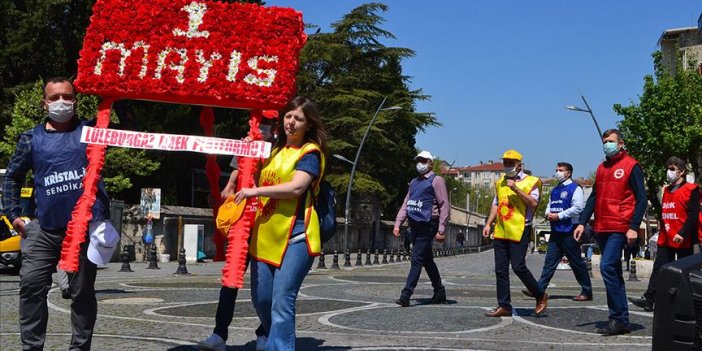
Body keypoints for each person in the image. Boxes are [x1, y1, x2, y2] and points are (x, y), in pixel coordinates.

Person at [2, 77, 112, 350]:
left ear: (75, 99)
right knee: (30, 287)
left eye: (67, 96)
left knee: (82, 293)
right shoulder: (30, 138)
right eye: (54, 98)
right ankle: (32, 347)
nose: (61, 102)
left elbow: (128, 132)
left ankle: (80, 347)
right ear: (44, 103)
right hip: (43, 228)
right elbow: (12, 177)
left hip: (82, 231)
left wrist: (113, 94)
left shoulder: (92, 130)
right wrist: (13, 213)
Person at [233, 96, 326, 350]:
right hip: (265, 236)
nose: (292, 122)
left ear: (308, 125)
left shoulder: (310, 154)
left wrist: (258, 191)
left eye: (299, 119)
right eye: (288, 116)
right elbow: (247, 171)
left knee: (282, 300)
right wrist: (246, 151)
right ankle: (273, 339)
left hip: (297, 236)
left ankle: (280, 346)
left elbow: (297, 187)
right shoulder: (271, 151)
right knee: (262, 300)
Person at [198, 115, 277, 351]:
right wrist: (218, 198)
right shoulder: (245, 146)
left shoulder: (283, 149)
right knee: (230, 281)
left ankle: (265, 332)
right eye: (258, 121)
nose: (260, 126)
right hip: (243, 224)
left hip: (267, 221)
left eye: (266, 122)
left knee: (265, 285)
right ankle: (219, 334)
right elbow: (230, 187)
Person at [574, 128, 647, 336]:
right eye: (605, 141)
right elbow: (593, 197)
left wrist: (633, 226)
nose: (607, 144)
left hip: (620, 225)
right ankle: (621, 318)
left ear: (621, 143)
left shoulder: (631, 166)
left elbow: (641, 199)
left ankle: (617, 317)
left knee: (606, 267)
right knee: (613, 271)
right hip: (602, 225)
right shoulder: (602, 168)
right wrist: (582, 222)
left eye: (611, 141)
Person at [629, 156, 699, 311]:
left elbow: (693, 215)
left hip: (683, 238)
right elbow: (665, 212)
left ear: (682, 171)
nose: (669, 172)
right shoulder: (667, 190)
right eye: (668, 168)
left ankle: (686, 303)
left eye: (673, 169)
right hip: (666, 236)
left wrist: (682, 233)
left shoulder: (691, 190)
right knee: (658, 268)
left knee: (684, 272)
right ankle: (649, 299)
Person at [483, 149, 548, 317]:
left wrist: (517, 189)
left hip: (520, 229)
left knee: (518, 266)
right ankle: (504, 305)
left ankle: (540, 295)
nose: (507, 166)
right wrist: (489, 223)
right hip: (502, 229)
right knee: (500, 270)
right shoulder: (500, 183)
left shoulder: (532, 182)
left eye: (511, 163)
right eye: (505, 162)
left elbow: (533, 203)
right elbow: (496, 205)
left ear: (519, 165)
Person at [523, 162, 592, 301]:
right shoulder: (555, 190)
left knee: (576, 263)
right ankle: (539, 290)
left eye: (561, 170)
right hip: (556, 231)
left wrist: (559, 216)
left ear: (569, 173)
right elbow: (549, 205)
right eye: (556, 170)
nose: (557, 172)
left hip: (569, 231)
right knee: (549, 263)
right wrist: (548, 213)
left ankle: (587, 291)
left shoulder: (575, 188)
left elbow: (578, 208)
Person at [392, 150, 449, 307]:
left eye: (423, 161)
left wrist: (441, 229)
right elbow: (406, 203)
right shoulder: (414, 182)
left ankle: (406, 294)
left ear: (431, 163)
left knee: (416, 258)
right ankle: (439, 292)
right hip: (414, 223)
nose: (420, 164)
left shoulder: (437, 181)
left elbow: (444, 205)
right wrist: (398, 223)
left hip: (429, 224)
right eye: (418, 160)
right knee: (427, 260)